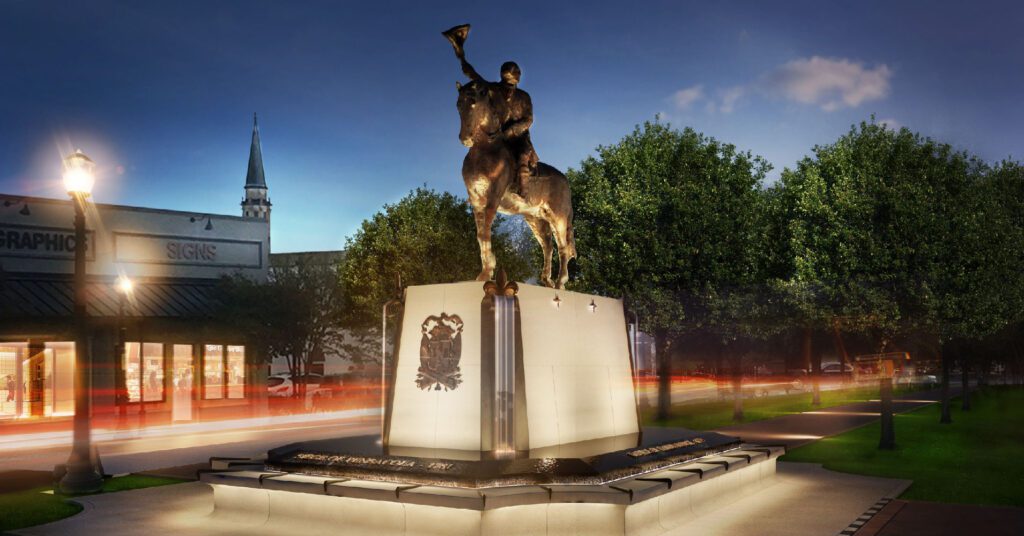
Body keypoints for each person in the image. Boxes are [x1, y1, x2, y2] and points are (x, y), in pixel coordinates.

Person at [445, 25, 539, 195]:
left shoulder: (524, 96)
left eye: (512, 81)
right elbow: (471, 74)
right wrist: (460, 54)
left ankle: (522, 190)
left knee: (522, 156)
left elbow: (528, 120)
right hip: (494, 134)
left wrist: (509, 132)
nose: (509, 86)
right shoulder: (492, 89)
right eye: (507, 81)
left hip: (517, 137)